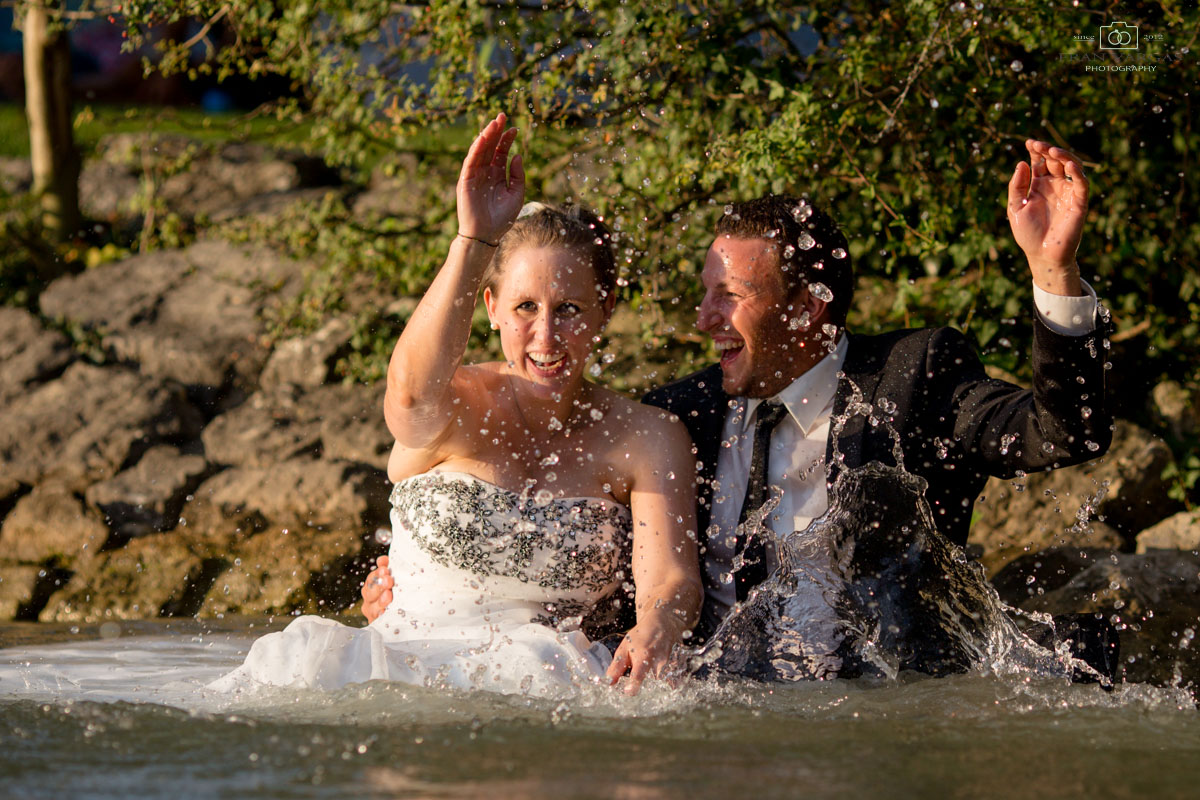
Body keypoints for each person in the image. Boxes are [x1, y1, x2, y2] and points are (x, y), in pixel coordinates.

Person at [365, 140, 1112, 679]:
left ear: (808, 307)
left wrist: (1056, 273)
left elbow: (1064, 432)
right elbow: (601, 556)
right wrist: (432, 575)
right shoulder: (679, 415)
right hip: (726, 716)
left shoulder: (914, 379)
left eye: (731, 297)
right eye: (704, 294)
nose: (703, 318)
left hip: (886, 710)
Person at [212, 113, 701, 699]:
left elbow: (669, 578)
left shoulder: (645, 435)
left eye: (569, 309)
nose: (546, 337)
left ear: (606, 309)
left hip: (544, 677)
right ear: (489, 306)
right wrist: (474, 241)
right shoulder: (457, 401)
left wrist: (657, 628)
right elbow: (409, 401)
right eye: (524, 308)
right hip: (390, 663)